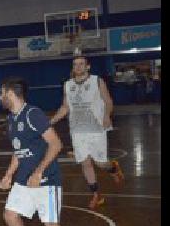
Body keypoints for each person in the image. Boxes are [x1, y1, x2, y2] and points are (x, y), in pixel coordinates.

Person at [0, 77, 76, 226]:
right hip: (23, 179)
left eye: (1, 93)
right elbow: (18, 150)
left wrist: (39, 171)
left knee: (51, 224)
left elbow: (56, 144)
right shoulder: (12, 119)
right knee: (10, 215)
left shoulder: (33, 114)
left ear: (11, 94)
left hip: (45, 181)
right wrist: (9, 174)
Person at [49, 55, 124, 208]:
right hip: (77, 131)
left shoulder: (97, 81)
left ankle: (113, 168)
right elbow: (65, 107)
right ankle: (96, 195)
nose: (78, 67)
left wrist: (106, 116)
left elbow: (108, 101)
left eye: (81, 64)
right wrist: (50, 122)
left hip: (96, 129)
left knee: (101, 163)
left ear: (88, 66)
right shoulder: (68, 85)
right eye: (75, 64)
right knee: (85, 163)